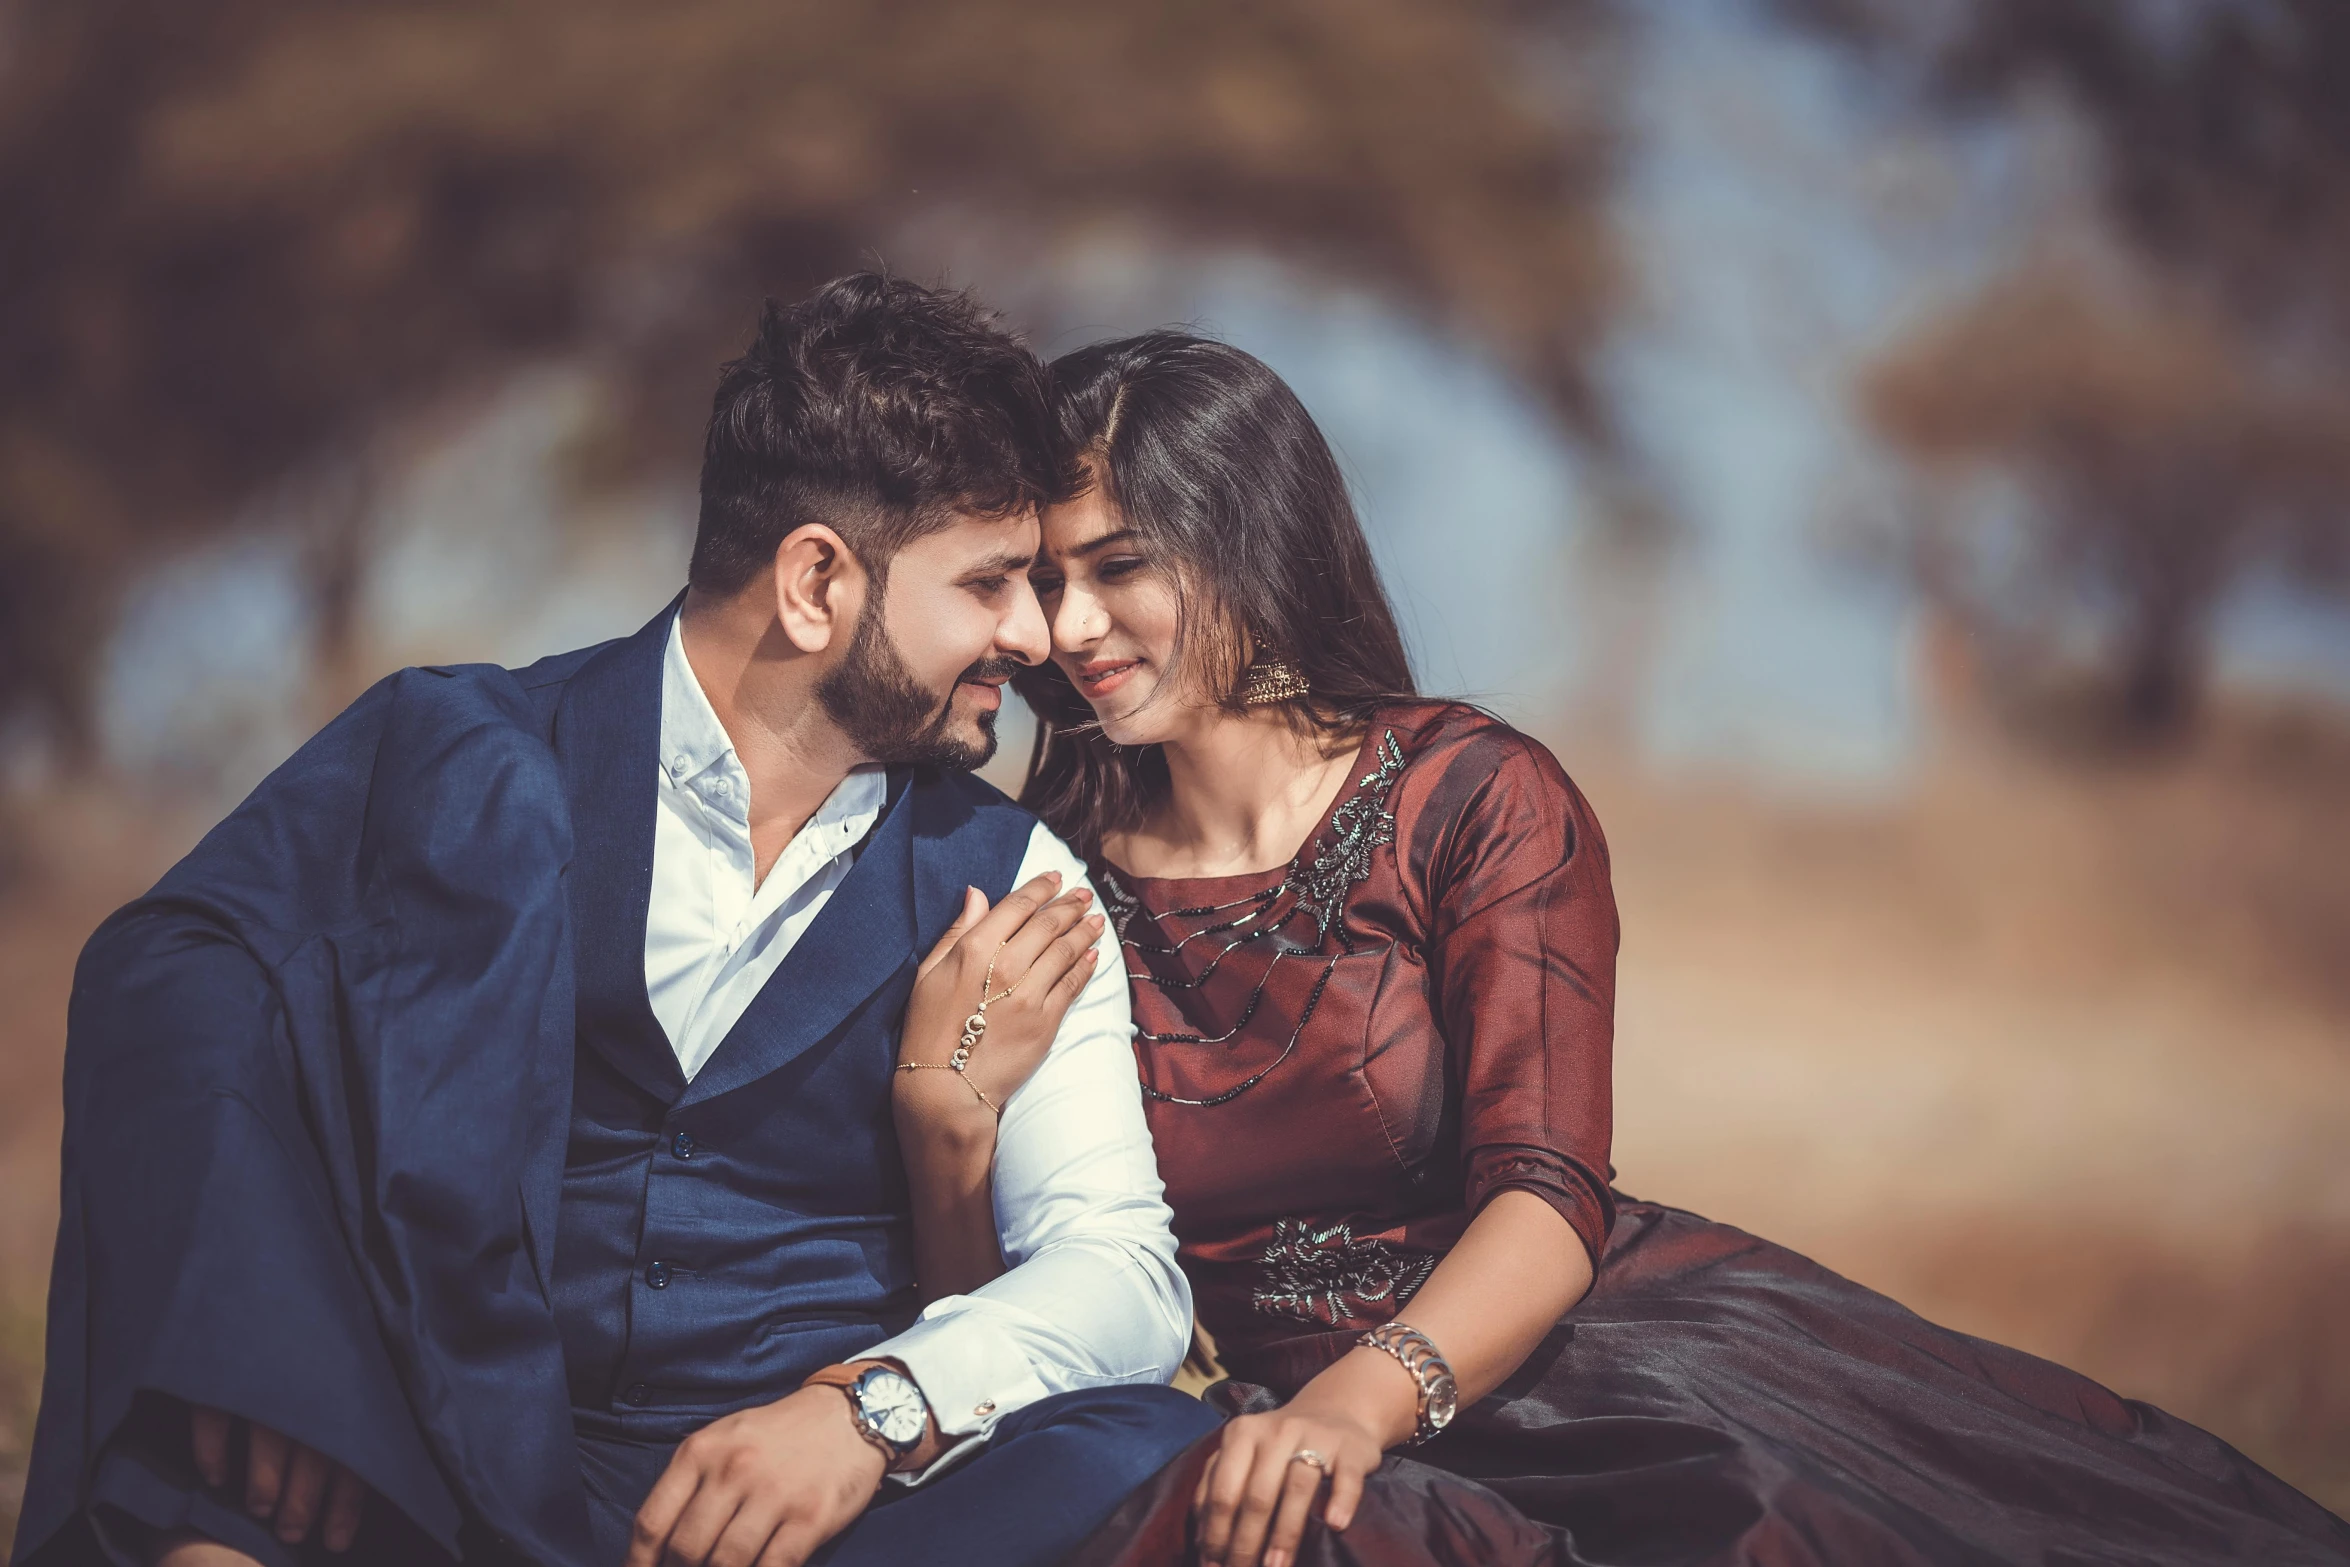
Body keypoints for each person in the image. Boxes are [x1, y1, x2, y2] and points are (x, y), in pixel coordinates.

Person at [906, 329, 2350, 1566]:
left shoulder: (1469, 796)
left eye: (1118, 566)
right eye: (1042, 577)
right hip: (1288, 1438)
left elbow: (1544, 1189)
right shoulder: (1046, 878)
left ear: (1241, 535)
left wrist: (1358, 1399)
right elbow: (1044, 1285)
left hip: (1605, 1373)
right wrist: (948, 1135)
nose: (1067, 626)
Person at [15, 277, 1220, 1567]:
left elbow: (1120, 1271)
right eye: (992, 584)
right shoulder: (460, 754)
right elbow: (171, 977)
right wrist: (266, 1352)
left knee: (1142, 1453)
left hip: (822, 1523)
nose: (1035, 635)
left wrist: (874, 1413)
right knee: (192, 1521)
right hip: (453, 1465)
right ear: (816, 581)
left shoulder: (1014, 876)